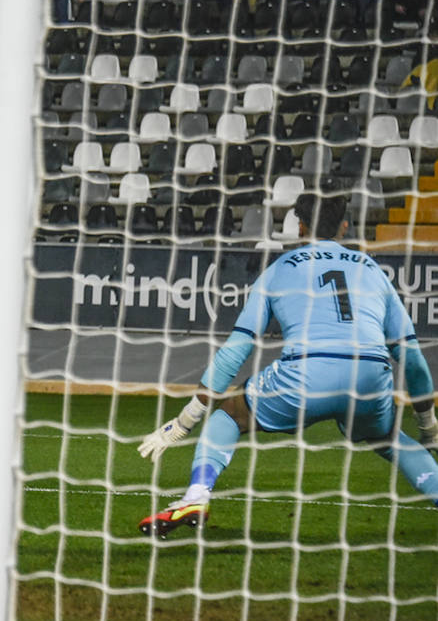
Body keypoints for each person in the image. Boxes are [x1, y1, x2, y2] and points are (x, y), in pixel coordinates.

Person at [136, 193, 438, 538]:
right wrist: (428, 424)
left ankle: (196, 496)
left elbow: (238, 347)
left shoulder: (280, 268)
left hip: (306, 374)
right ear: (344, 226)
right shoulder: (372, 269)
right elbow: (411, 357)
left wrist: (185, 420)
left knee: (231, 411)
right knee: (389, 438)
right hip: (371, 375)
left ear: (300, 227)